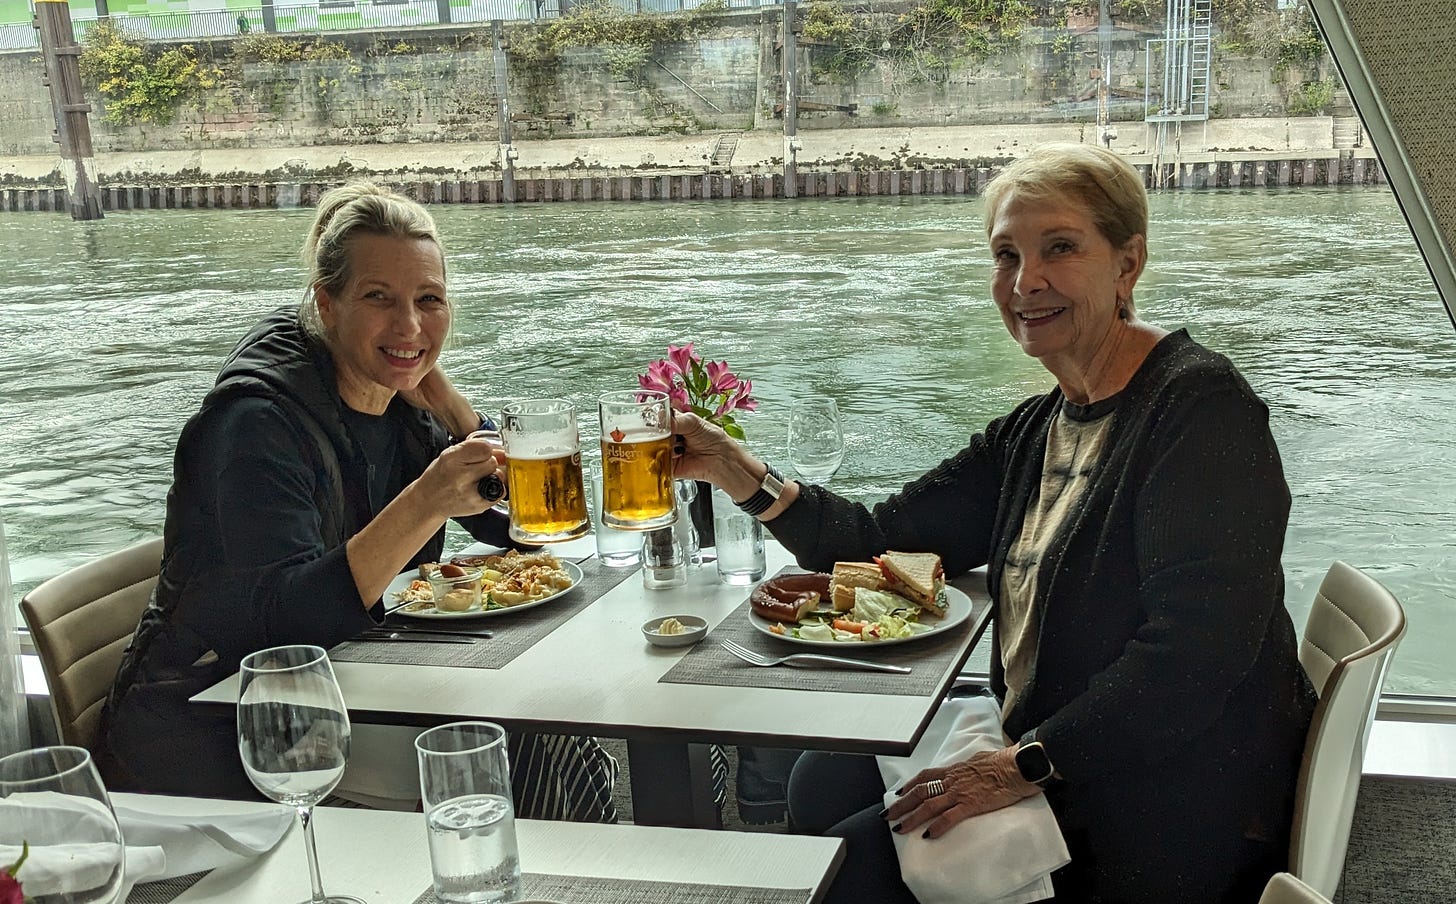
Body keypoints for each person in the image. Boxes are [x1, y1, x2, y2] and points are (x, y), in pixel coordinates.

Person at [672, 144, 1317, 902]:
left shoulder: (1201, 411)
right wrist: (730, 467)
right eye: (1005, 254)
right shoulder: (1038, 428)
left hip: (1171, 792)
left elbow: (1192, 661)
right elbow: (877, 540)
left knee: (841, 869)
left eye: (1060, 248)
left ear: (1127, 263)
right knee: (821, 777)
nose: (1025, 282)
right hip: (1061, 739)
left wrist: (1022, 766)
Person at [98, 182, 618, 821]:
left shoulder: (396, 400)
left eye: (429, 300)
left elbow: (514, 528)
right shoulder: (256, 424)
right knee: (536, 745)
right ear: (327, 303)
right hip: (224, 722)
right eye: (379, 298)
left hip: (352, 685)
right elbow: (289, 625)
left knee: (565, 720)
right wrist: (426, 501)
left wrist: (453, 408)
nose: (409, 325)